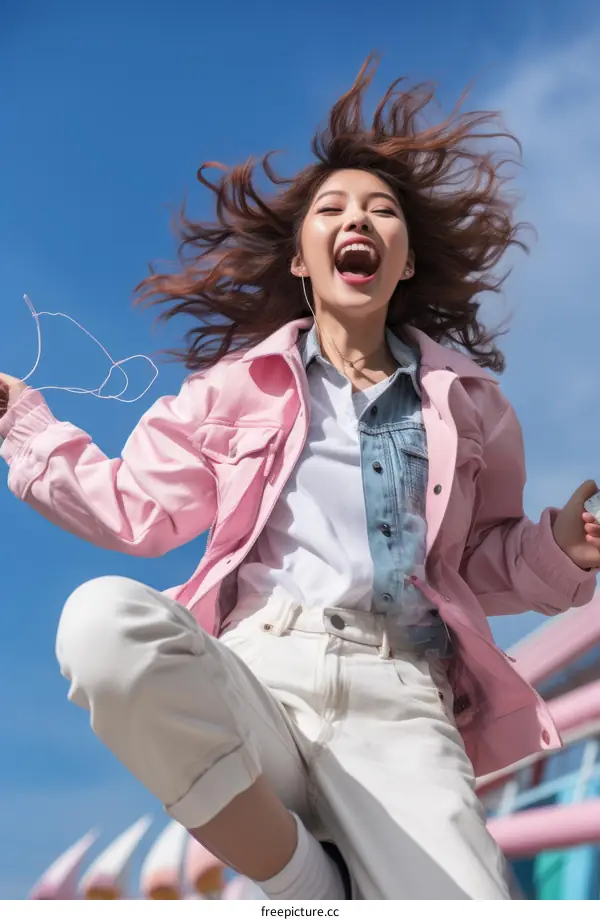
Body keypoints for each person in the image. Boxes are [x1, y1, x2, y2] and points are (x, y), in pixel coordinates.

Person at [1, 56, 599, 901]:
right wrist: (22, 427)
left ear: (403, 263)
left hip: (399, 693)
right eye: (334, 208)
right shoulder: (234, 389)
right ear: (301, 263)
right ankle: (307, 883)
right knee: (101, 624)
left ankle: (313, 896)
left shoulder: (469, 406)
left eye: (382, 211)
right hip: (256, 675)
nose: (359, 219)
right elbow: (133, 511)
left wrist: (562, 552)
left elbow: (479, 559)